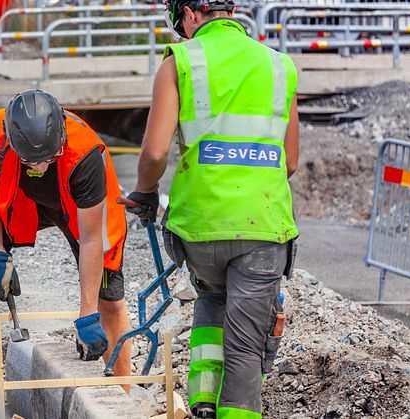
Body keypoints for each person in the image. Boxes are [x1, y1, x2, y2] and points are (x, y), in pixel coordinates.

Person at [124, 0, 300, 417]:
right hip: (262, 227)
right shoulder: (280, 66)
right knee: (244, 347)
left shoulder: (179, 60)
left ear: (187, 15)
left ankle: (203, 400)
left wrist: (145, 192)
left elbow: (154, 152)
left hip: (199, 230)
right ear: (232, 10)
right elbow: (290, 162)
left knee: (212, 296)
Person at [0, 89, 132, 384]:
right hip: (21, 196)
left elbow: (92, 239)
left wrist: (87, 314)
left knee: (109, 298)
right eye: (32, 160)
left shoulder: (86, 153)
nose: (42, 166)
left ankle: (121, 396)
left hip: (77, 203)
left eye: (49, 157)